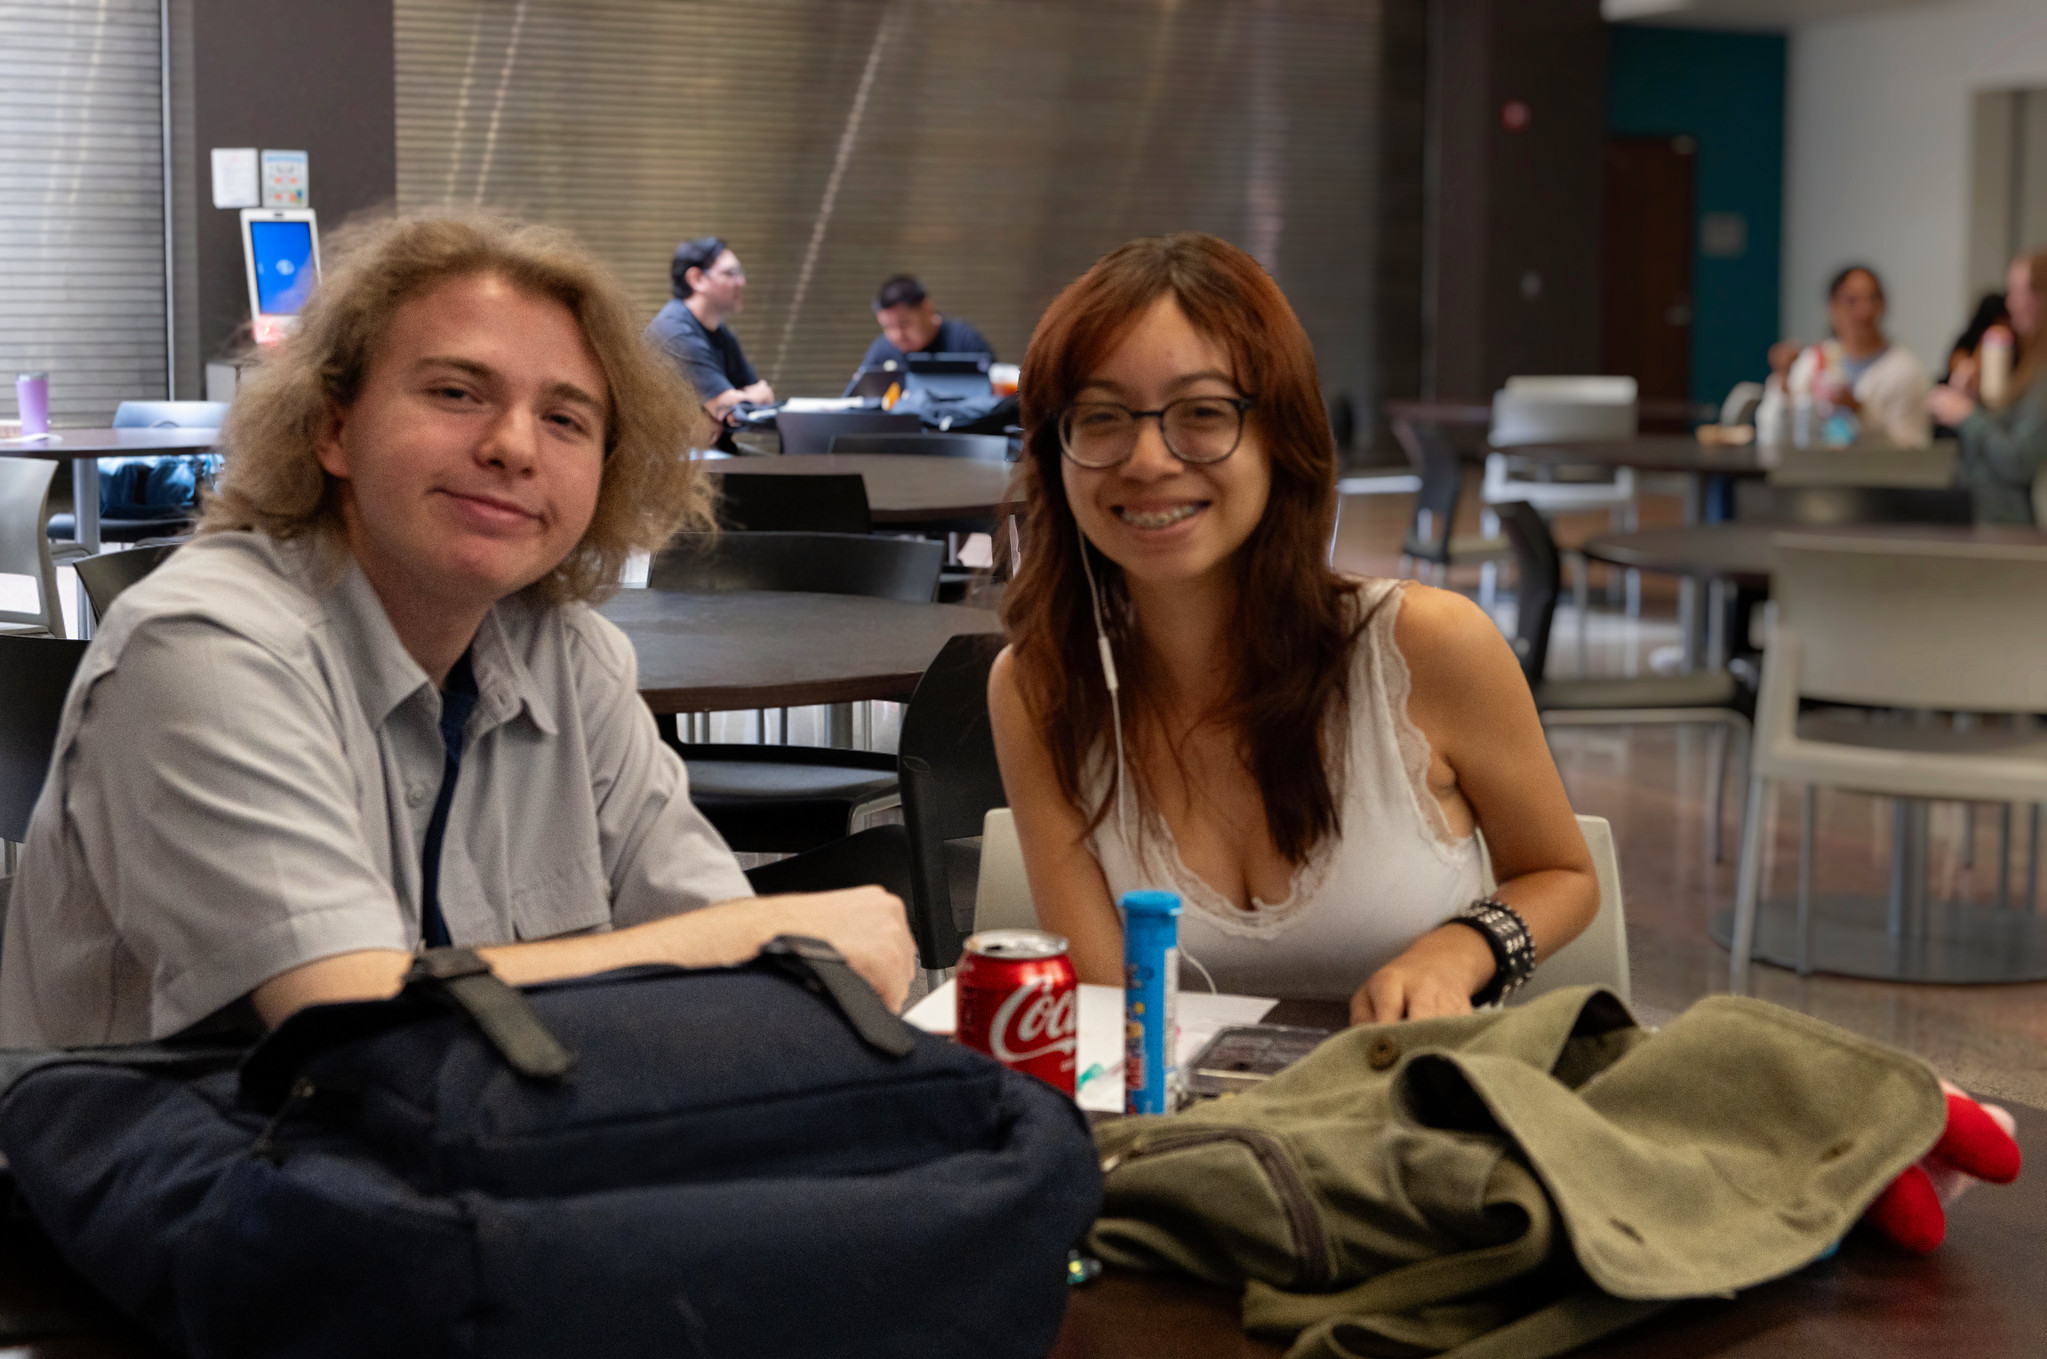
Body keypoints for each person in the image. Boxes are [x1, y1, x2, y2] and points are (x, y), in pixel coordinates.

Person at [0, 215, 914, 1048]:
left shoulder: (570, 658)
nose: (515, 445)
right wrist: (742, 936)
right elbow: (349, 1019)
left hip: (480, 1180)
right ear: (332, 426)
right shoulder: (203, 649)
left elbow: (734, 961)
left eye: (564, 419)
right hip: (157, 1213)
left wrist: (729, 948)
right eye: (455, 392)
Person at [987, 232, 1596, 1023]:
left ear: (1283, 440)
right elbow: (1113, 1012)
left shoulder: (1428, 646)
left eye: (1202, 412)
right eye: (1100, 417)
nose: (1145, 459)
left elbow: (1562, 874)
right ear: (1053, 454)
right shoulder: (1039, 689)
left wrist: (1454, 949)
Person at [1930, 248, 2047, 524]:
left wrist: (1967, 415)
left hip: (2015, 528)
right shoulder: (2031, 362)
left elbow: (2019, 461)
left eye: (2020, 291)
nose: (2011, 303)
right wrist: (1973, 400)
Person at [1756, 264, 1931, 447]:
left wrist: (1860, 412)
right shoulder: (1813, 361)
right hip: (1811, 472)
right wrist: (1782, 383)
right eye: (1851, 300)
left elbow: (1912, 451)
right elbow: (1772, 437)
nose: (1865, 311)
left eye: (1873, 299)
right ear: (1832, 306)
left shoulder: (1905, 370)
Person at [645, 235, 775, 424]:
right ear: (696, 279)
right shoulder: (675, 334)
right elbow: (730, 412)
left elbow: (759, 402)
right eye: (730, 273)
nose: (741, 282)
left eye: (741, 273)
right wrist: (747, 398)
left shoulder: (721, 332)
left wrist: (739, 401)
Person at [856, 275, 994, 372]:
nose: (897, 335)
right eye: (887, 326)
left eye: (904, 323)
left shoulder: (964, 340)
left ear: (927, 308)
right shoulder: (882, 350)